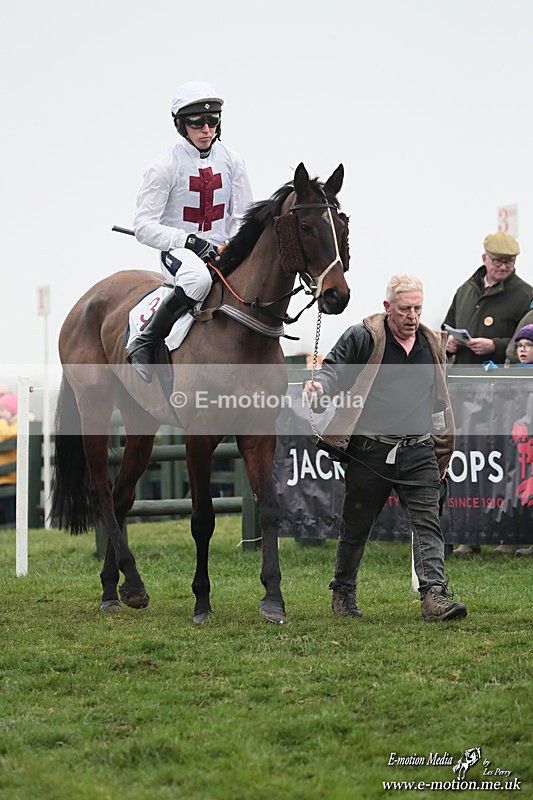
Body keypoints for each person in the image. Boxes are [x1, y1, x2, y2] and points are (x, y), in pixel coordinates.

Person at [303, 274, 467, 623]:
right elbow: (334, 371)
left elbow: (438, 402)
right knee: (357, 525)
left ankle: (434, 596)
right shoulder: (363, 337)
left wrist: (441, 447)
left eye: (418, 308)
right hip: (370, 450)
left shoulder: (432, 343)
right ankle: (343, 592)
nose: (412, 316)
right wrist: (320, 387)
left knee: (427, 524)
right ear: (387, 307)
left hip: (418, 449)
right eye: (405, 308)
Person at [126, 81, 253, 382]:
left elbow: (242, 217)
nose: (206, 129)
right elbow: (143, 227)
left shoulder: (233, 161)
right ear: (181, 125)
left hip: (224, 250)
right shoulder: (164, 165)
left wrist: (234, 248)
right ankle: (145, 341)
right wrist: (190, 242)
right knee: (198, 279)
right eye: (197, 123)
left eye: (213, 121)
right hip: (180, 253)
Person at [442, 232, 532, 367]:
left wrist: (495, 346)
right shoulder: (465, 290)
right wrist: (448, 343)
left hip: (501, 380)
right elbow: (447, 328)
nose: (503, 266)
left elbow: (529, 342)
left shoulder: (526, 295)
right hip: (461, 378)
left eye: (509, 261)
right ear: (484, 258)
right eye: (497, 260)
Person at [0, 391, 18, 526]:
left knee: (11, 511)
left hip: (10, 478)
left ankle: (11, 529)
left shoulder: (11, 424)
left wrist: (3, 421)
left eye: (3, 410)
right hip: (5, 478)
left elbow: (4, 433)